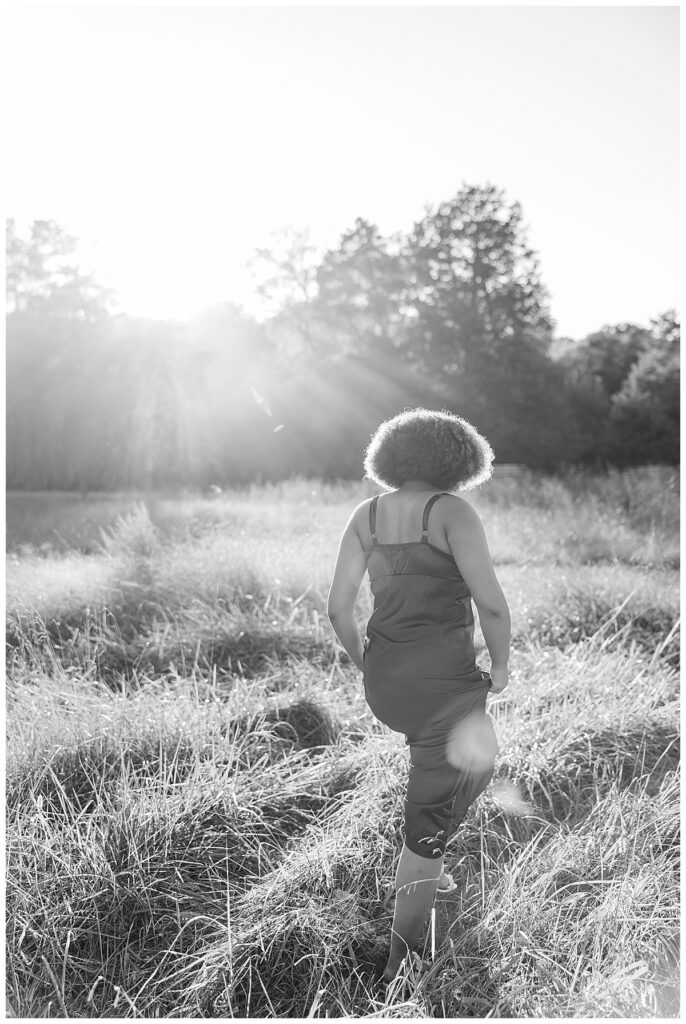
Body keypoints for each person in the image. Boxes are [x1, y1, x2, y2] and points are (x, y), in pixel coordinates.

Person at [327, 408, 511, 983]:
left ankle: (425, 864)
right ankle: (399, 960)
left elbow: (338, 608)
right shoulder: (452, 511)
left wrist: (367, 666)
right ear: (459, 459)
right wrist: (501, 664)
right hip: (443, 686)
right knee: (429, 818)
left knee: (479, 764)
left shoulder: (367, 513)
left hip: (387, 682)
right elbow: (492, 603)